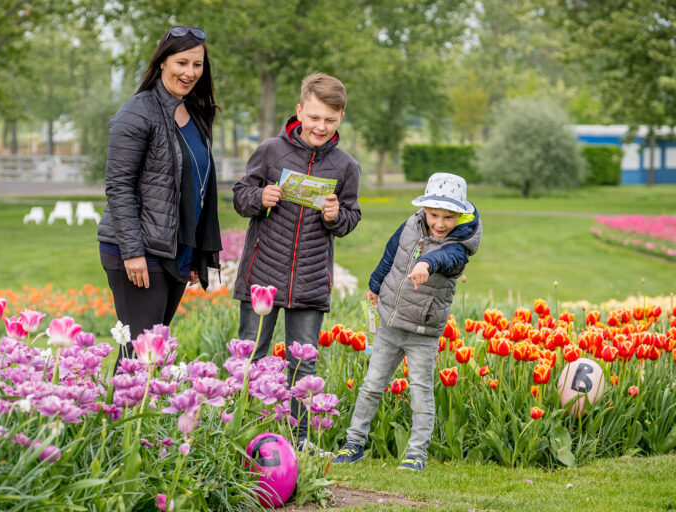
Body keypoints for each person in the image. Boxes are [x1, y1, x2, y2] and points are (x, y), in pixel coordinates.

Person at [232, 72, 361, 450]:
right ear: (300, 110)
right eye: (315, 117)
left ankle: (300, 439)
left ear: (340, 119)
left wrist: (337, 215)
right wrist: (260, 197)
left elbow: (350, 219)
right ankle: (243, 429)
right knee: (251, 354)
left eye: (330, 120)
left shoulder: (345, 166)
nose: (321, 127)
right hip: (262, 275)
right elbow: (241, 196)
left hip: (310, 280)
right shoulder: (271, 151)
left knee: (303, 366)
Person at [333, 172, 482, 471]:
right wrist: (375, 285)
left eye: (448, 217)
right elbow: (391, 254)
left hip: (422, 331)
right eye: (433, 214)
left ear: (461, 214)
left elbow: (446, 259)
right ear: (424, 209)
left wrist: (426, 263)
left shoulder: (460, 246)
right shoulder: (411, 226)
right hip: (389, 323)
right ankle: (353, 444)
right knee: (372, 385)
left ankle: (416, 454)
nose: (439, 223)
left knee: (420, 391)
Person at [97, 26, 221, 369]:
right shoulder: (138, 112)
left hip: (174, 249)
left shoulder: (192, 112)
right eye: (182, 62)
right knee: (141, 357)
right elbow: (118, 186)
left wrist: (196, 251)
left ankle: (133, 417)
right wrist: (133, 252)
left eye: (197, 65)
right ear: (163, 62)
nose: (190, 73)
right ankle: (123, 418)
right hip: (139, 251)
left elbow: (196, 186)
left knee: (152, 353)